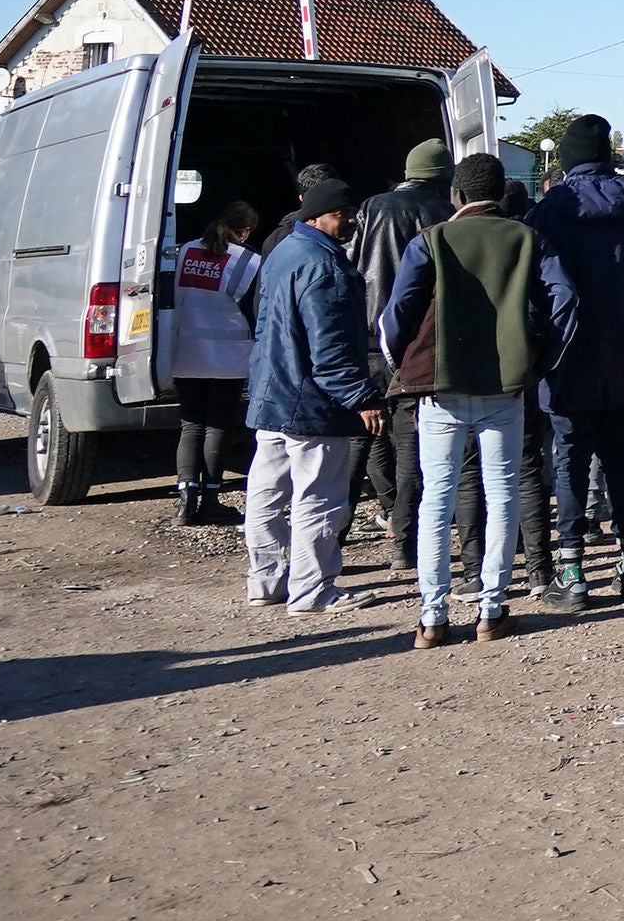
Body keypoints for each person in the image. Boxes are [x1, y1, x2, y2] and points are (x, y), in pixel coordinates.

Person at [379, 154, 575, 647]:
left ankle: (432, 616)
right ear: (503, 195)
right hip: (506, 387)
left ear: (457, 196)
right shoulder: (529, 239)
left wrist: (402, 358)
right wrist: (541, 358)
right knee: (503, 492)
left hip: (441, 388)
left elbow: (398, 311)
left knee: (437, 498)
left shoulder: (432, 240)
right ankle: (492, 609)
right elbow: (564, 300)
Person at [527, 116, 624, 607]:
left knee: (570, 459)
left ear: (564, 158)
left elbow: (538, 288)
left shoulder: (548, 211)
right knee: (619, 458)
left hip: (569, 353)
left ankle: (573, 571)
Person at [242, 180, 388, 616]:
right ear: (315, 216)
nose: (351, 220)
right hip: (313, 403)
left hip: (271, 393)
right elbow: (332, 349)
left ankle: (264, 581)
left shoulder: (283, 253)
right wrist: (363, 398)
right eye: (343, 212)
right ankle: (312, 591)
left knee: (266, 493)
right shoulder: (328, 268)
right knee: (320, 497)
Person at [346, 138, 451, 571]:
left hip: (371, 337)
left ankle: (331, 539)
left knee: (358, 441)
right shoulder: (446, 214)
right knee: (413, 448)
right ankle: (404, 544)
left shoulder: (372, 206)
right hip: (421, 346)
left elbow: (352, 265)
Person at [168, 200, 261, 528]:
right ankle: (210, 499)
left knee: (190, 425)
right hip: (228, 356)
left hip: (185, 353)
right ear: (245, 230)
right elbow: (255, 311)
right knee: (218, 426)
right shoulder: (248, 260)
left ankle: (184, 499)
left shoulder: (183, 251)